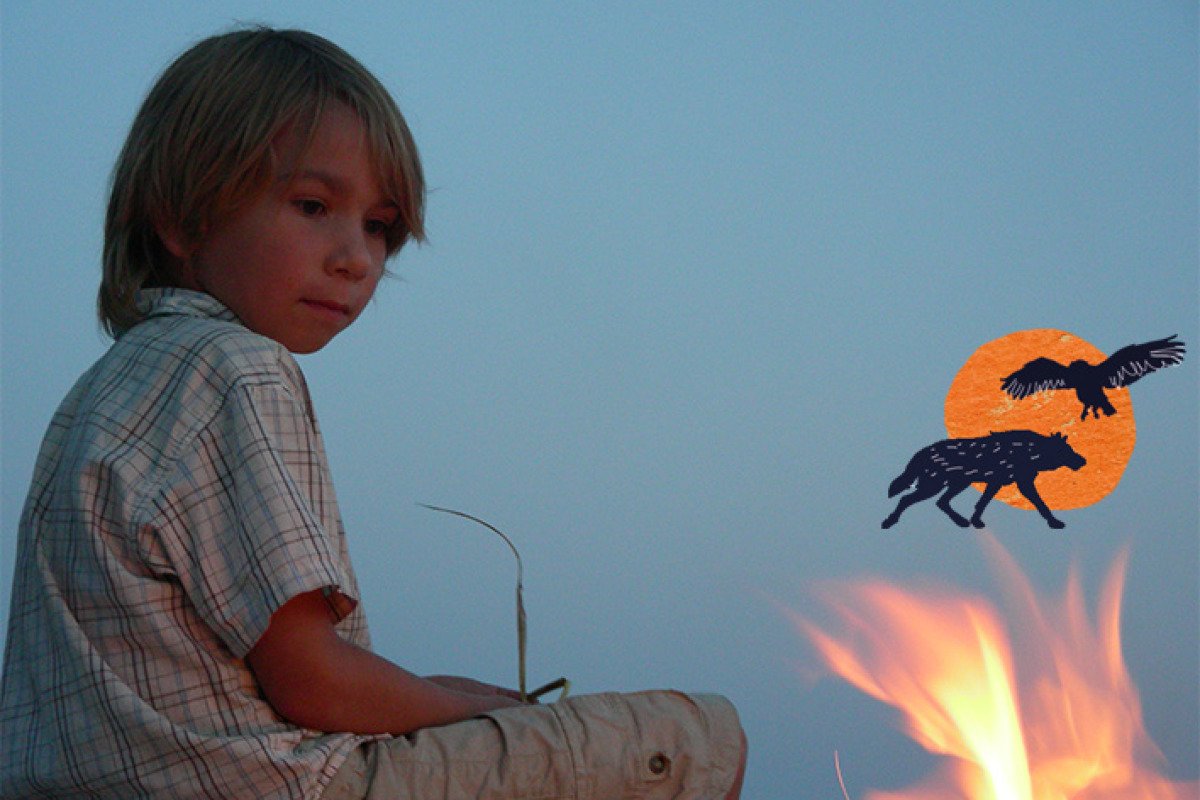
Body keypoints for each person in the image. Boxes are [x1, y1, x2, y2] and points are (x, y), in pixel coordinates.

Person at [0, 27, 746, 799]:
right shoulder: (237, 370)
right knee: (691, 740)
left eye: (379, 225)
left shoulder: (103, 395)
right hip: (264, 786)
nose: (355, 257)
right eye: (313, 205)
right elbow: (311, 684)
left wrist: (437, 698)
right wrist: (473, 710)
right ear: (183, 217)